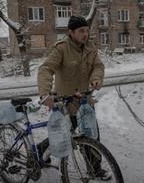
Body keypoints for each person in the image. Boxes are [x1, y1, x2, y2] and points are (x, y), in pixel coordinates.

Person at [37, 15, 111, 180]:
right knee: (64, 135)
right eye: (81, 31)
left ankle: (95, 169)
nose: (85, 34)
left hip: (85, 103)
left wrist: (96, 78)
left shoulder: (91, 47)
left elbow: (98, 66)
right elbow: (46, 69)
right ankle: (40, 151)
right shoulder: (61, 49)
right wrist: (45, 93)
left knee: (91, 136)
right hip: (66, 103)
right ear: (71, 32)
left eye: (86, 30)